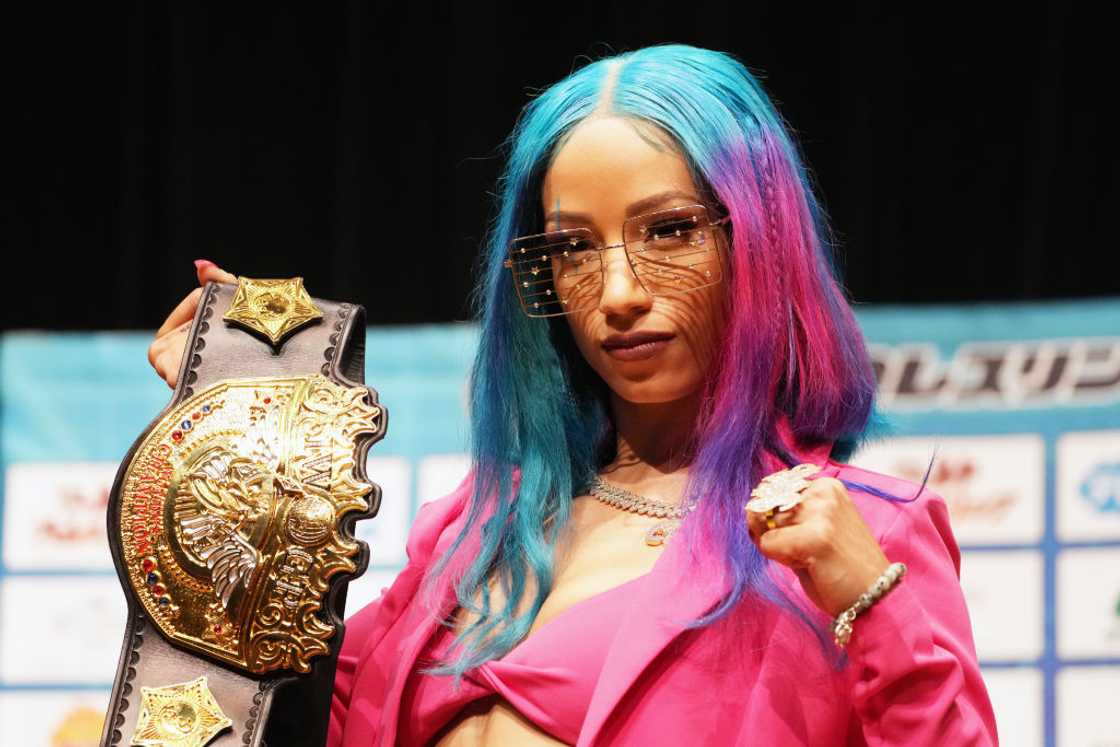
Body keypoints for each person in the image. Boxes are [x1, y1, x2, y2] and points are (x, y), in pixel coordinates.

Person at [150, 44, 998, 746]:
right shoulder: (476, 528)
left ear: (760, 243)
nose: (619, 292)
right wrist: (232, 429)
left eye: (670, 230)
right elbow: (291, 719)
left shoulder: (859, 536)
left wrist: (870, 599)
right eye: (572, 247)